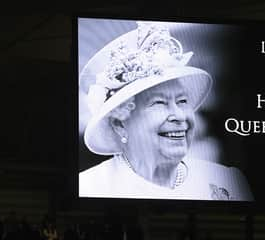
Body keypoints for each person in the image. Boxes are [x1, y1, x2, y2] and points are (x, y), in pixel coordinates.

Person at [79, 21, 253, 201]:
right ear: (119, 124)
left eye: (182, 101)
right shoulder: (89, 186)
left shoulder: (229, 182)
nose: (179, 116)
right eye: (159, 103)